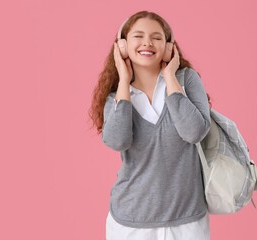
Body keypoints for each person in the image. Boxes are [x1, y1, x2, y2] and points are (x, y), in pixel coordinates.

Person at [89, 11, 212, 240]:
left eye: (156, 37)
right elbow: (118, 141)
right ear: (123, 46)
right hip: (131, 221)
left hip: (187, 220)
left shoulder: (187, 80)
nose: (147, 42)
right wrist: (124, 81)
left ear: (168, 47)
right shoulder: (116, 98)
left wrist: (171, 78)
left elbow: (194, 132)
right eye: (139, 36)